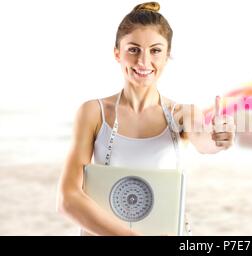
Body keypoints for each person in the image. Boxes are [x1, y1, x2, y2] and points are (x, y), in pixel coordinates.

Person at [56, 2, 235, 236]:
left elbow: (204, 141)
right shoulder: (93, 113)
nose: (143, 61)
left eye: (155, 50)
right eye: (133, 49)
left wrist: (218, 139)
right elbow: (67, 199)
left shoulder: (182, 114)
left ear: (167, 56)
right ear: (117, 53)